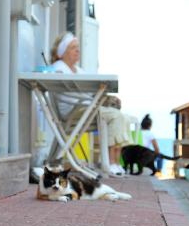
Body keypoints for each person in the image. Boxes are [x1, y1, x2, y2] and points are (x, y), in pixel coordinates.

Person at [49, 32, 132, 176]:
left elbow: (89, 92)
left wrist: (107, 98)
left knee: (122, 117)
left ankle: (116, 162)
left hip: (85, 109)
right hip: (74, 111)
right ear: (62, 52)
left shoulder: (78, 70)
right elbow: (76, 91)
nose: (77, 50)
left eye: (78, 47)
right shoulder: (58, 67)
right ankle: (110, 162)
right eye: (73, 47)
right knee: (114, 116)